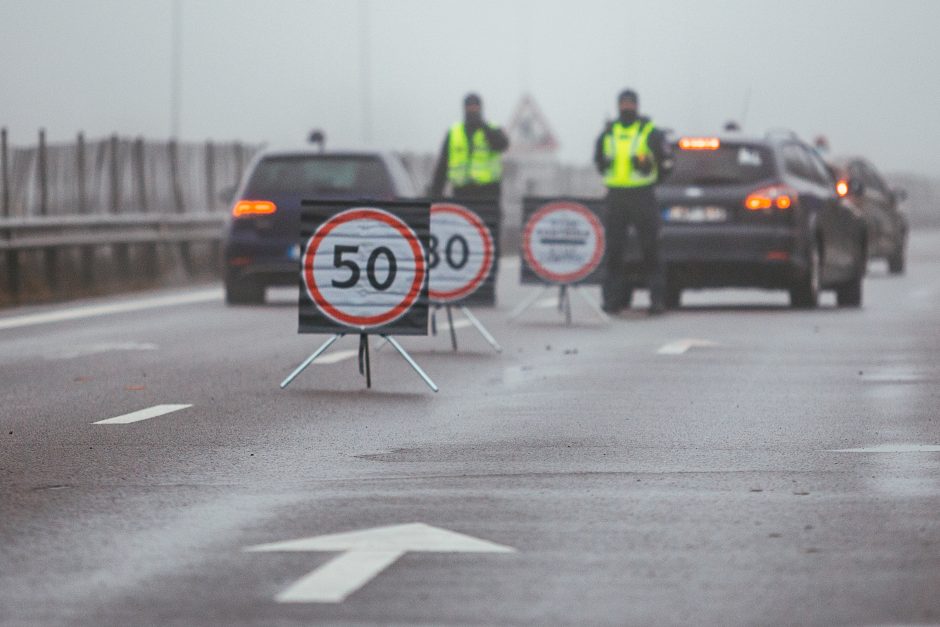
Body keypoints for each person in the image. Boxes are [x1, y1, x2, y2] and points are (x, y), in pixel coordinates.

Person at [593, 88, 672, 315]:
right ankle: (612, 301)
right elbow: (599, 161)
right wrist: (605, 165)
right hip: (616, 196)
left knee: (651, 250)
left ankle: (657, 300)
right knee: (614, 251)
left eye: (630, 104)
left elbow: (666, 162)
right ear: (618, 105)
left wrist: (651, 173)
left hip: (642, 195)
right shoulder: (608, 132)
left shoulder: (649, 132)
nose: (627, 107)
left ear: (637, 105)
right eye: (623, 104)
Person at [429, 93, 509, 200]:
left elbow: (502, 145)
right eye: (469, 107)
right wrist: (436, 193)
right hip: (462, 192)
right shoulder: (454, 132)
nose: (472, 110)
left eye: (475, 107)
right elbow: (443, 165)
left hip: (488, 192)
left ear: (480, 108)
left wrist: (484, 128)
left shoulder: (491, 129)